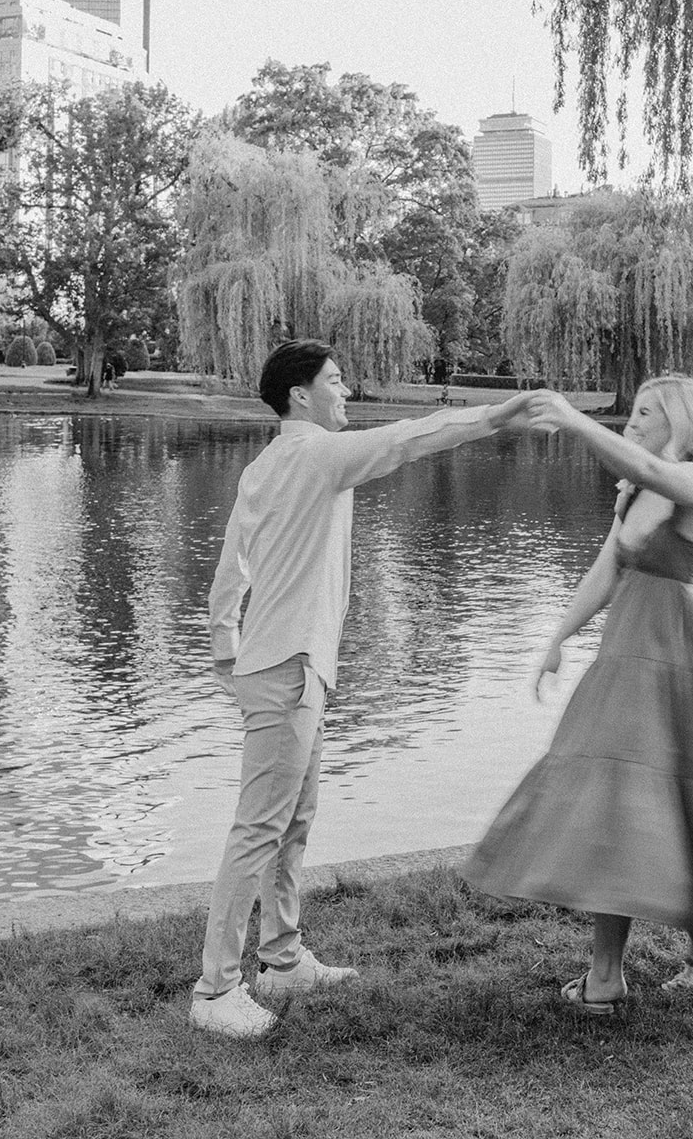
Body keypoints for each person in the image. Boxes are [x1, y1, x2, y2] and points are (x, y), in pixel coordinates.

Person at [190, 340, 535, 1039]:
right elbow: (409, 439)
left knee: (291, 825)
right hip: (286, 667)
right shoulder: (315, 454)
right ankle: (215, 989)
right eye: (336, 381)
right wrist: (496, 416)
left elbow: (235, 556)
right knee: (258, 830)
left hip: (287, 665)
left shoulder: (270, 463)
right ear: (300, 396)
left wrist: (224, 641)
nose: (347, 392)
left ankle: (282, 961)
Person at [462, 374, 693, 1013]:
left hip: (680, 662)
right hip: (628, 656)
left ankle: (609, 977)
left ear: (684, 423)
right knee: (645, 799)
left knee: (644, 799)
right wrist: (558, 637)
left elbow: (642, 466)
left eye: (644, 413)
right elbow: (607, 567)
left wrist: (575, 421)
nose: (632, 422)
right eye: (629, 412)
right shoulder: (638, 489)